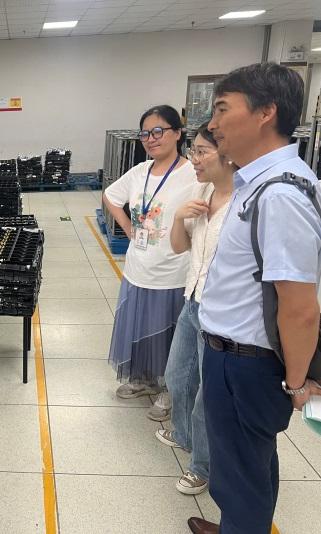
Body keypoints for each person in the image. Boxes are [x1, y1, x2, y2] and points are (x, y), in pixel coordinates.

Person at [189, 62, 321, 534]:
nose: (213, 124)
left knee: (241, 475)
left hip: (245, 363)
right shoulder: (261, 183)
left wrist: (297, 383)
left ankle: (240, 524)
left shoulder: (280, 194)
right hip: (236, 356)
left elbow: (300, 307)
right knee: (248, 465)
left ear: (267, 112)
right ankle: (237, 524)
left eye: (223, 109)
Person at [154, 122, 236, 497]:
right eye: (193, 151)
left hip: (221, 315)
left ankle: (201, 466)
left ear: (228, 154)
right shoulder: (202, 191)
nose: (194, 159)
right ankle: (185, 435)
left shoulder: (244, 203)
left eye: (201, 152)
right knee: (177, 376)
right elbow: (179, 246)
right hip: (192, 300)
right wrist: (178, 217)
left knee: (208, 395)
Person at [103, 105, 197, 419]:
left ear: (177, 133)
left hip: (174, 270)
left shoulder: (193, 174)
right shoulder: (140, 171)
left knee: (171, 334)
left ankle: (171, 389)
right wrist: (128, 227)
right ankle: (144, 380)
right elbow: (111, 196)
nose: (151, 139)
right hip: (138, 267)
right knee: (141, 327)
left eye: (158, 131)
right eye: (145, 133)